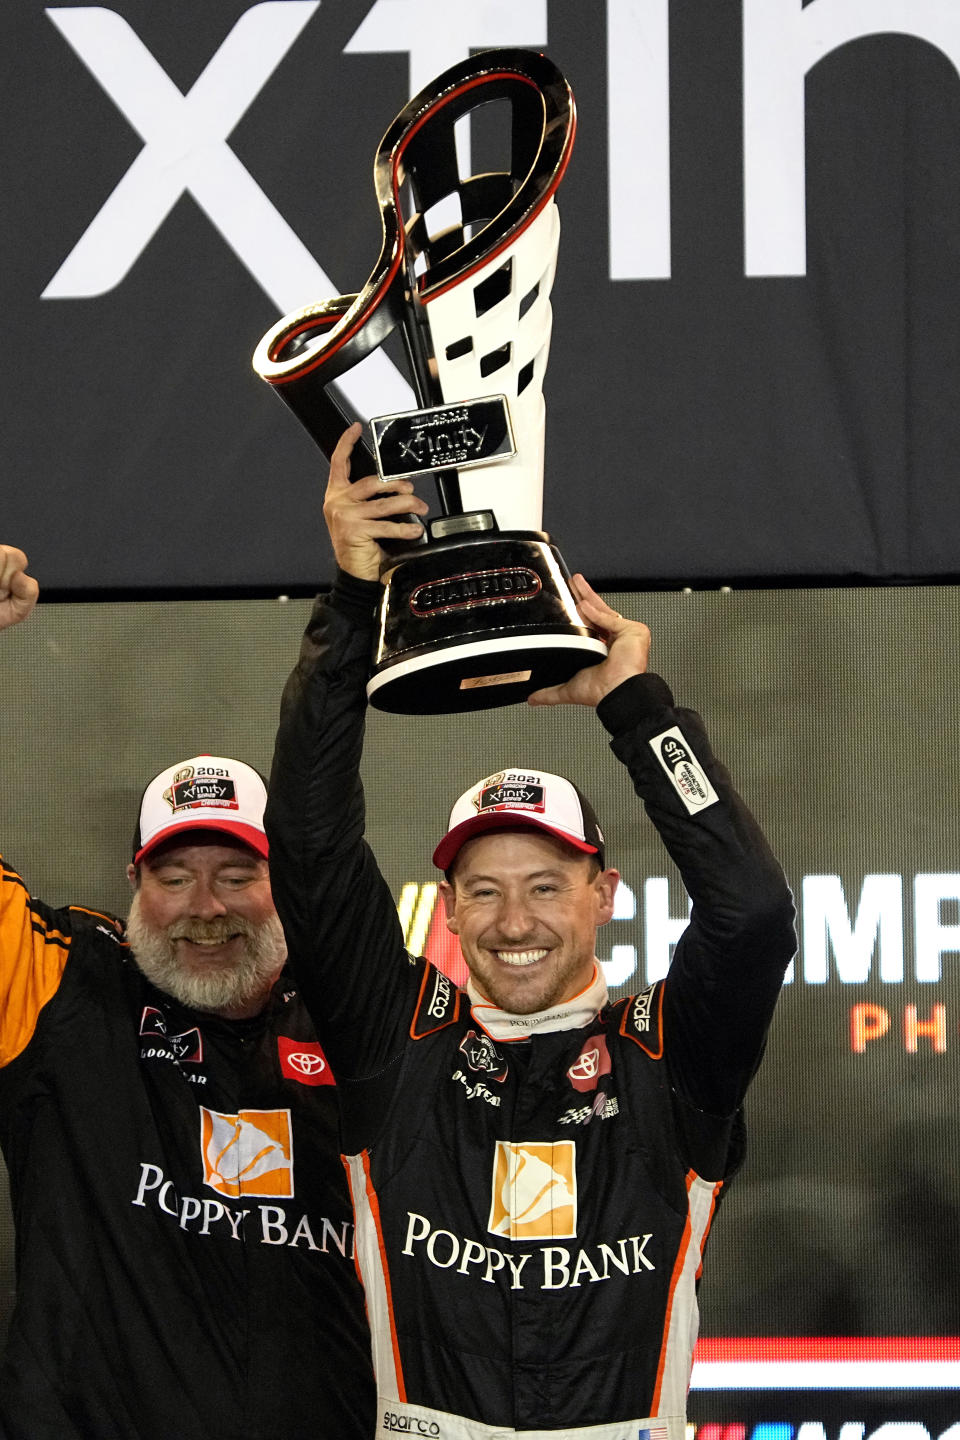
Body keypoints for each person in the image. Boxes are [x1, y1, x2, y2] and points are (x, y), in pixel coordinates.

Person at [265, 428, 797, 1439]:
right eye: (486, 889)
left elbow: (753, 912)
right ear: (450, 911)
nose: (515, 921)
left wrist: (637, 708)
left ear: (602, 897)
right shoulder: (398, 1043)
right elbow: (309, 840)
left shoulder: (671, 1055)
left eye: (547, 885)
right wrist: (349, 605)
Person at [0, 545, 375, 1439]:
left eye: (236, 873)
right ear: (134, 883)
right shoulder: (63, 987)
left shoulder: (368, 1023)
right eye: (173, 875)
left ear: (283, 879)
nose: (203, 908)